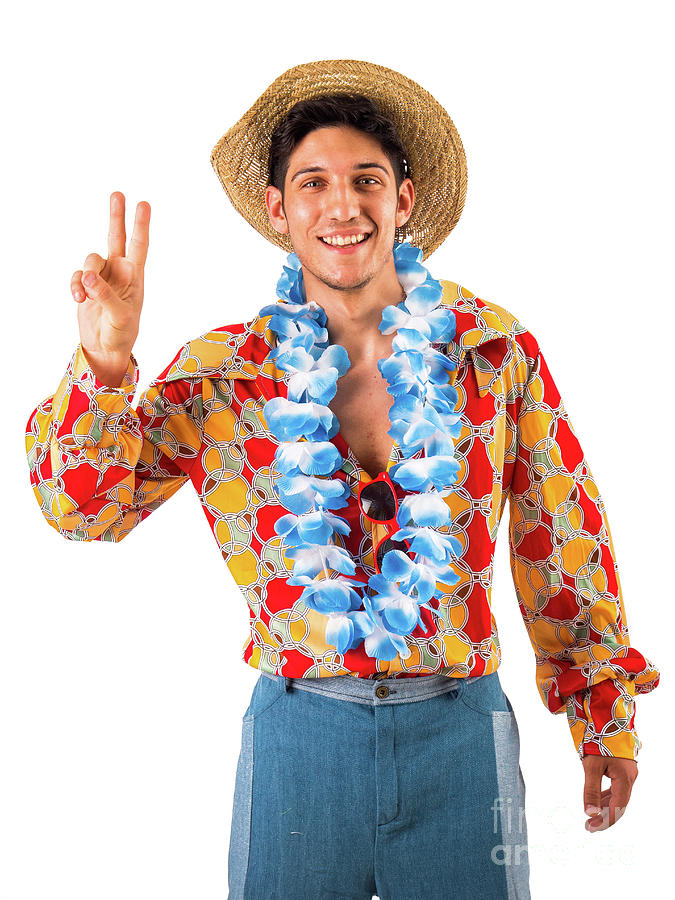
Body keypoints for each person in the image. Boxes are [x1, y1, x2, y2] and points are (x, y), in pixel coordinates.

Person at [25, 59, 660, 900]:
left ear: (402, 201)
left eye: (366, 180)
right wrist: (105, 360)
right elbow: (82, 511)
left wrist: (602, 719)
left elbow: (563, 540)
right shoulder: (225, 374)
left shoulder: (493, 350)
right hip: (298, 737)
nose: (342, 204)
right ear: (278, 210)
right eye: (312, 182)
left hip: (461, 734)